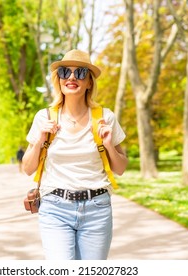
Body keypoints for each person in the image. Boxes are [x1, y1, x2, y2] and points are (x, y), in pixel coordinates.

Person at [22, 49, 128, 260]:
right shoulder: (44, 117)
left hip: (97, 209)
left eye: (80, 73)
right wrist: (41, 139)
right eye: (65, 72)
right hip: (55, 208)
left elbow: (121, 168)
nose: (71, 77)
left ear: (89, 82)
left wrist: (108, 144)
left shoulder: (105, 118)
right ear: (58, 80)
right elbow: (27, 168)